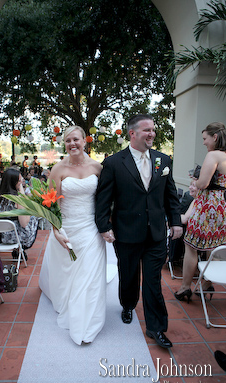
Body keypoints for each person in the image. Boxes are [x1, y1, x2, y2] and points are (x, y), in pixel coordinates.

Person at [95, 114, 183, 349]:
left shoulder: (163, 160)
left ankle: (156, 328)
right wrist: (104, 226)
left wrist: (176, 221)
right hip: (126, 233)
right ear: (132, 133)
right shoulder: (114, 163)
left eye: (153, 130)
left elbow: (170, 195)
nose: (151, 134)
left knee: (153, 281)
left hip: (155, 233)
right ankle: (127, 304)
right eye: (146, 130)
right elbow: (104, 199)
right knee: (129, 274)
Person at [39, 125, 106, 345]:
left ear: (85, 141)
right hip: (66, 227)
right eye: (68, 141)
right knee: (67, 274)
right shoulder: (57, 169)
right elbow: (50, 204)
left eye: (75, 139)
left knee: (90, 275)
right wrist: (56, 231)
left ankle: (87, 322)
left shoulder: (97, 167)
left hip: (90, 227)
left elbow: (105, 200)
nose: (72, 144)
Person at [175, 122, 226, 302]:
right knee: (218, 247)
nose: (204, 142)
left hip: (208, 206)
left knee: (191, 246)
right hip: (223, 206)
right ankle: (206, 284)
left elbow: (203, 184)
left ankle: (185, 288)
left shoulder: (213, 155)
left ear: (215, 137)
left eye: (205, 138)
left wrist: (195, 180)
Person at [0, 168, 38, 258]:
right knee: (34, 219)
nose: (22, 181)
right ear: (15, 182)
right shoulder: (18, 200)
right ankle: (21, 249)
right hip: (16, 237)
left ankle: (18, 250)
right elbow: (24, 224)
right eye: (20, 180)